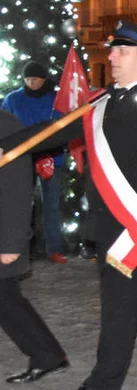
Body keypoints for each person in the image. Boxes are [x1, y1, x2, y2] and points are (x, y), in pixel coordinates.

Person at [2, 22, 137, 390]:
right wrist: (7, 148)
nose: (112, 57)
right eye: (112, 50)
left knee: (118, 307)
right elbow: (51, 132)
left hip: (133, 226)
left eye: (120, 51)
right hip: (104, 225)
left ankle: (101, 388)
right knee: (135, 302)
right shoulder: (102, 102)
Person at [0, 109, 69, 384]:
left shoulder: (3, 124)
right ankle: (47, 355)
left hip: (4, 231)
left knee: (5, 298)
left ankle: (47, 355)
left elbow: (16, 183)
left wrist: (13, 241)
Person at [1, 61, 65, 263]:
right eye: (28, 79)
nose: (32, 83)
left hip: (51, 158)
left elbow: (63, 125)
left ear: (44, 79)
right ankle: (21, 251)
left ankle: (54, 248)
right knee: (19, 206)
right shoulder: (13, 99)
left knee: (51, 206)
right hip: (22, 160)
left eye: (36, 79)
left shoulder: (56, 99)